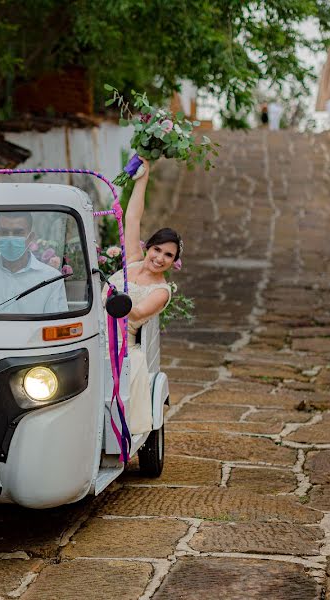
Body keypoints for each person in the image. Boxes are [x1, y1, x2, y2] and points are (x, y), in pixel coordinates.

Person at [106, 159, 180, 434]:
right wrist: (142, 179)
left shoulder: (161, 292)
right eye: (157, 250)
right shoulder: (134, 261)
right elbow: (132, 218)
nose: (160, 258)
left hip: (122, 342)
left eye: (168, 255)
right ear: (148, 248)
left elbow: (135, 314)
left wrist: (113, 300)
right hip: (91, 327)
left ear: (173, 262)